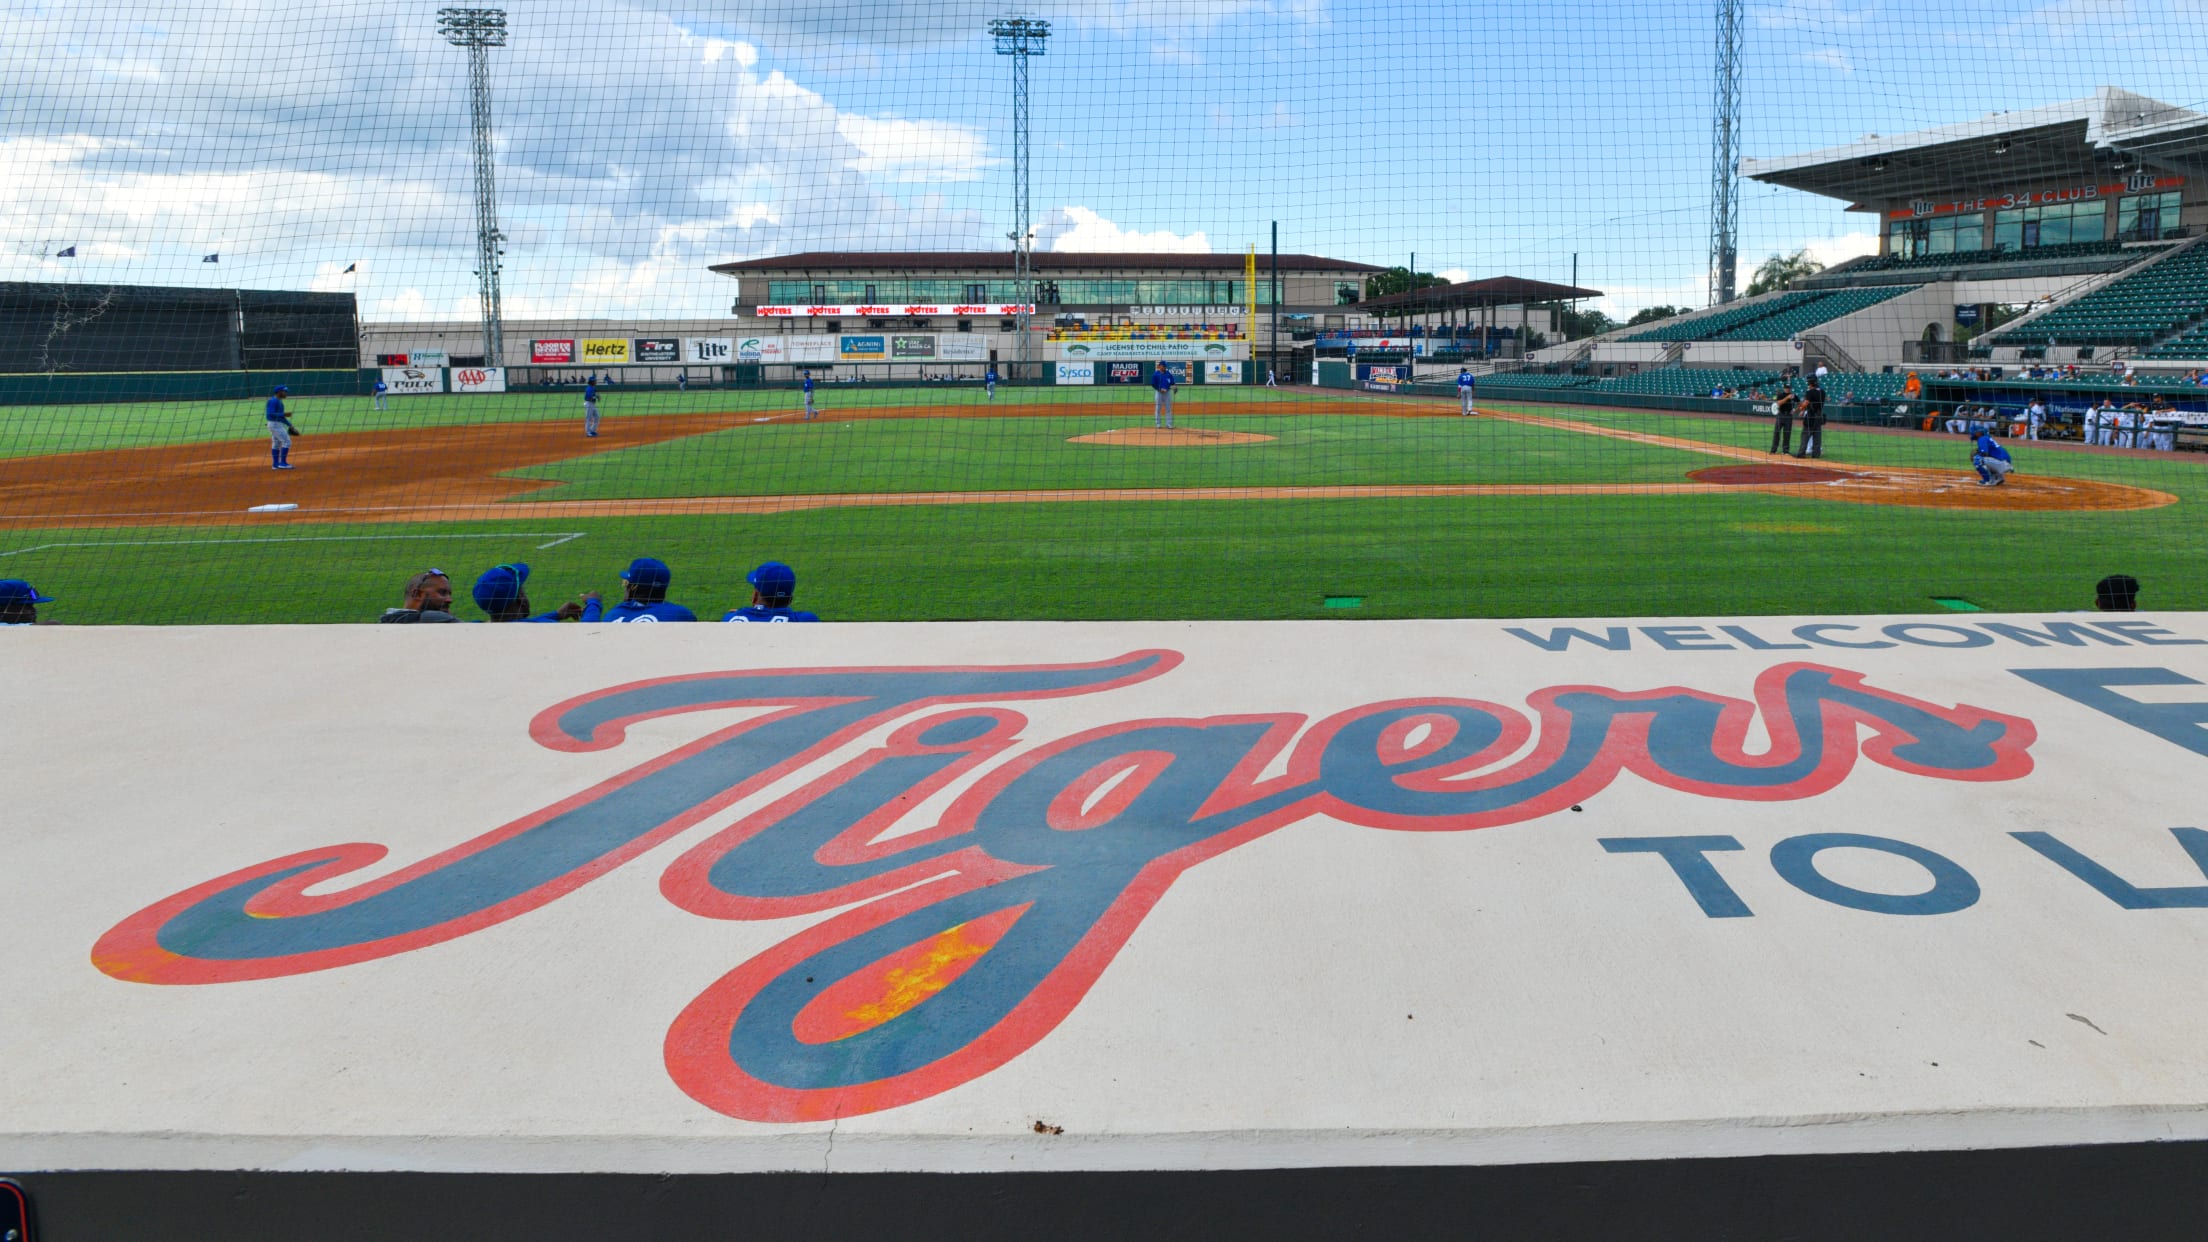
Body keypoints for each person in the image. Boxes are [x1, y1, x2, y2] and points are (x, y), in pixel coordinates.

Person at [472, 562, 594, 622]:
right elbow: (589, 632)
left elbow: (523, 624)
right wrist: (594, 603)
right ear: (520, 599)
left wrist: (556, 614)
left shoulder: (473, 628)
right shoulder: (545, 628)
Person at [603, 556, 696, 622]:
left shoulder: (613, 615)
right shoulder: (681, 614)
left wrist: (593, 603)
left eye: (626, 583)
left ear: (634, 588)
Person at [722, 561, 821, 623]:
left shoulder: (730, 619)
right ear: (790, 599)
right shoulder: (805, 620)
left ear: (755, 596)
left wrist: (741, 613)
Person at [379, 569, 460, 623]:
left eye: (449, 594)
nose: (449, 600)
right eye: (442, 593)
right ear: (417, 594)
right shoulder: (431, 617)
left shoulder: (387, 620)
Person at [264, 384, 300, 470]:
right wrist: (283, 414)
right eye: (285, 392)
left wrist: (290, 425)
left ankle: (276, 464)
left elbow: (282, 418)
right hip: (274, 424)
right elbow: (270, 414)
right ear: (279, 392)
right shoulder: (273, 401)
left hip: (276, 424)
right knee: (287, 442)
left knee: (276, 444)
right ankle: (283, 463)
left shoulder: (279, 402)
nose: (286, 393)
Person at [1795, 377, 1827, 458]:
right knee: (1817, 436)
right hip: (1819, 416)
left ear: (1810, 384)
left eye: (1808, 383)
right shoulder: (1822, 391)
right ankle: (1816, 454)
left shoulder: (1810, 392)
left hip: (1811, 415)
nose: (1808, 385)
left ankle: (1801, 453)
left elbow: (1806, 403)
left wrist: (1801, 408)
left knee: (1805, 435)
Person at [1769, 384, 1797, 455]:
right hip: (1781, 414)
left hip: (1789, 416)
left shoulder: (1793, 396)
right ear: (1784, 388)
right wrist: (1787, 398)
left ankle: (1785, 450)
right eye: (1786, 388)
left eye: (1789, 388)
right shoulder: (1781, 395)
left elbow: (1800, 403)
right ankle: (1773, 450)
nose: (1788, 389)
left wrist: (1795, 410)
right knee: (1777, 432)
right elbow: (1778, 403)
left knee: (1787, 433)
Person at [1150, 361, 1176, 429]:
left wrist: (1174, 387)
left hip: (1167, 393)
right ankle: (1158, 424)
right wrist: (1159, 389)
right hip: (1159, 393)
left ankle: (1169, 424)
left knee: (1168, 409)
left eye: (1165, 366)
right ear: (1160, 366)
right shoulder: (1155, 374)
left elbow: (1172, 383)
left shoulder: (1168, 374)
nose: (1165, 367)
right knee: (1158, 408)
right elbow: (1153, 384)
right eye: (1163, 366)